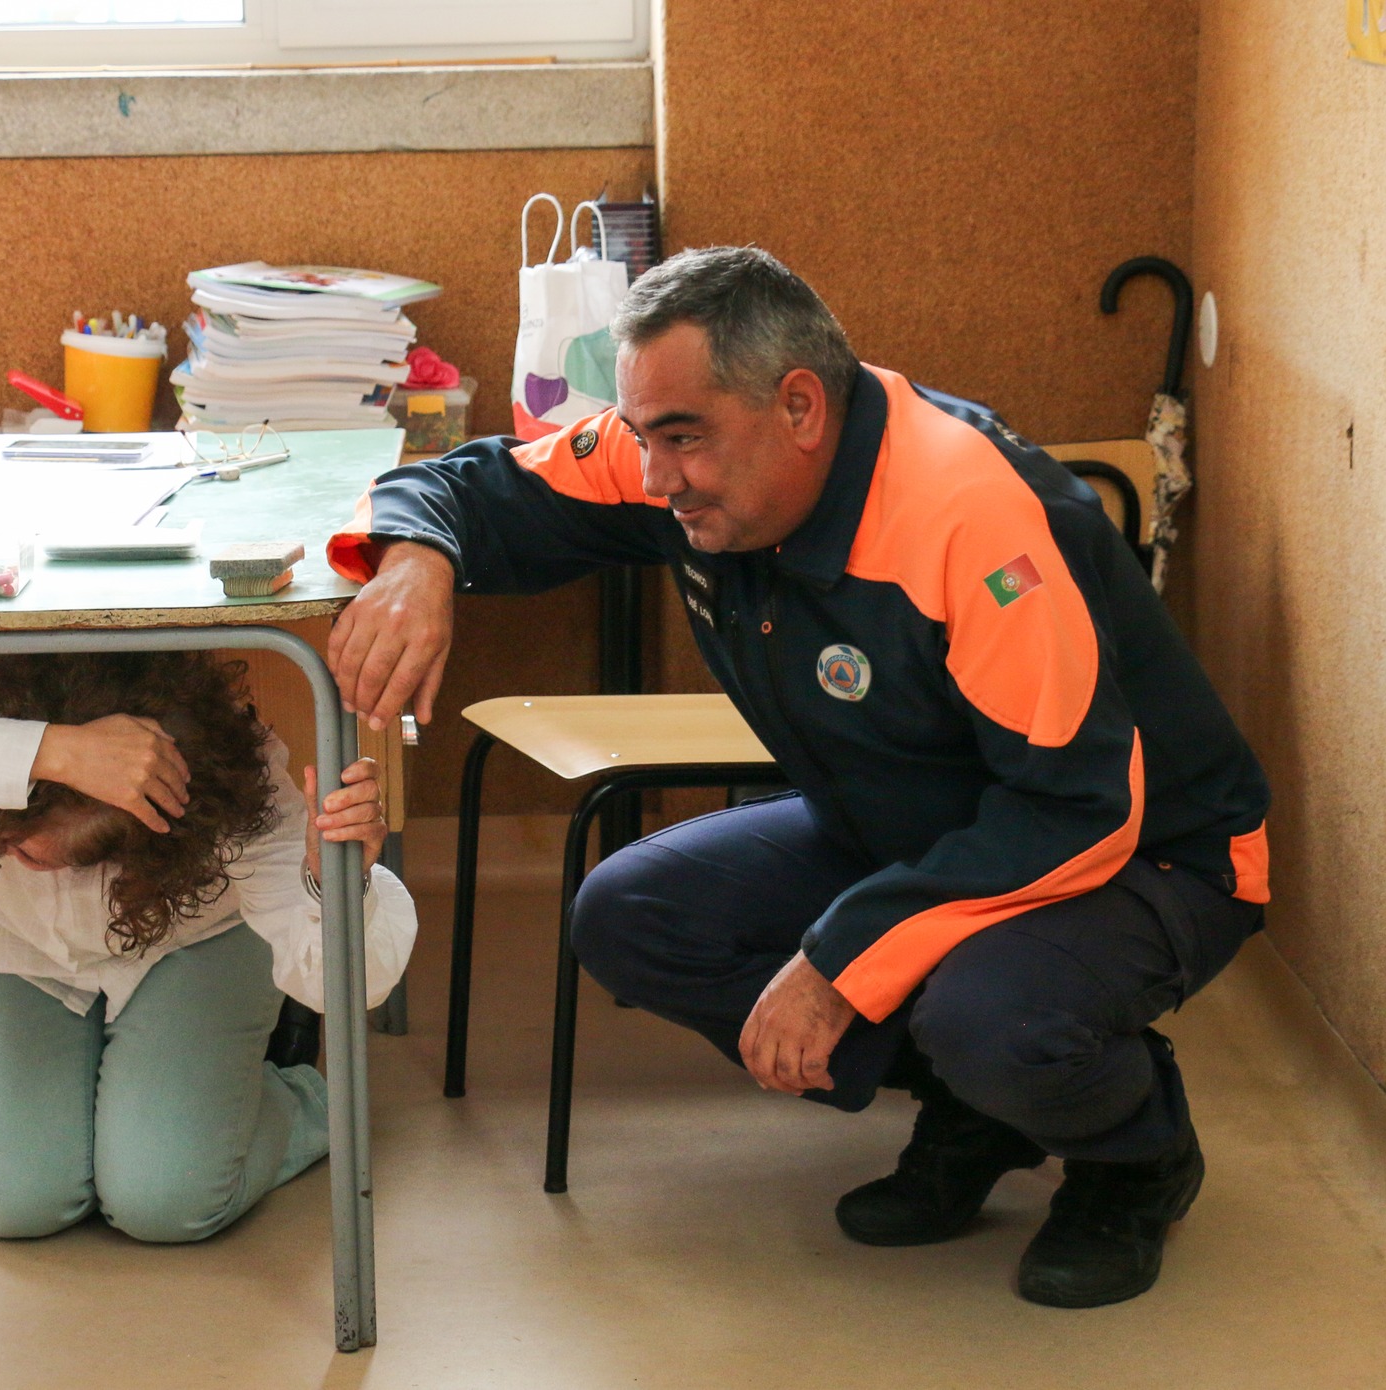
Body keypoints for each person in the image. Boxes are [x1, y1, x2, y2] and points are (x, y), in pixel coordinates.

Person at [322, 246, 1271, 1307]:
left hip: (1141, 856)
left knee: (987, 1015)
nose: (650, 477)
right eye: (639, 437)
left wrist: (835, 964)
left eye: (679, 439)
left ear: (801, 407)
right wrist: (415, 560)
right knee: (632, 912)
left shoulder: (973, 516)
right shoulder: (675, 449)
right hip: (912, 831)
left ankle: (1133, 1153)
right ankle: (980, 1108)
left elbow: (1075, 808)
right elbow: (468, 483)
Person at [0, 650, 417, 1244]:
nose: (30, 859)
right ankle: (141, 1096)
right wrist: (54, 750)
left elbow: (343, 984)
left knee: (167, 1202)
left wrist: (332, 879)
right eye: (11, 841)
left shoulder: (228, 779)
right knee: (14, 1203)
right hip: (8, 945)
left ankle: (297, 1096)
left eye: (62, 857)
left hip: (191, 944)